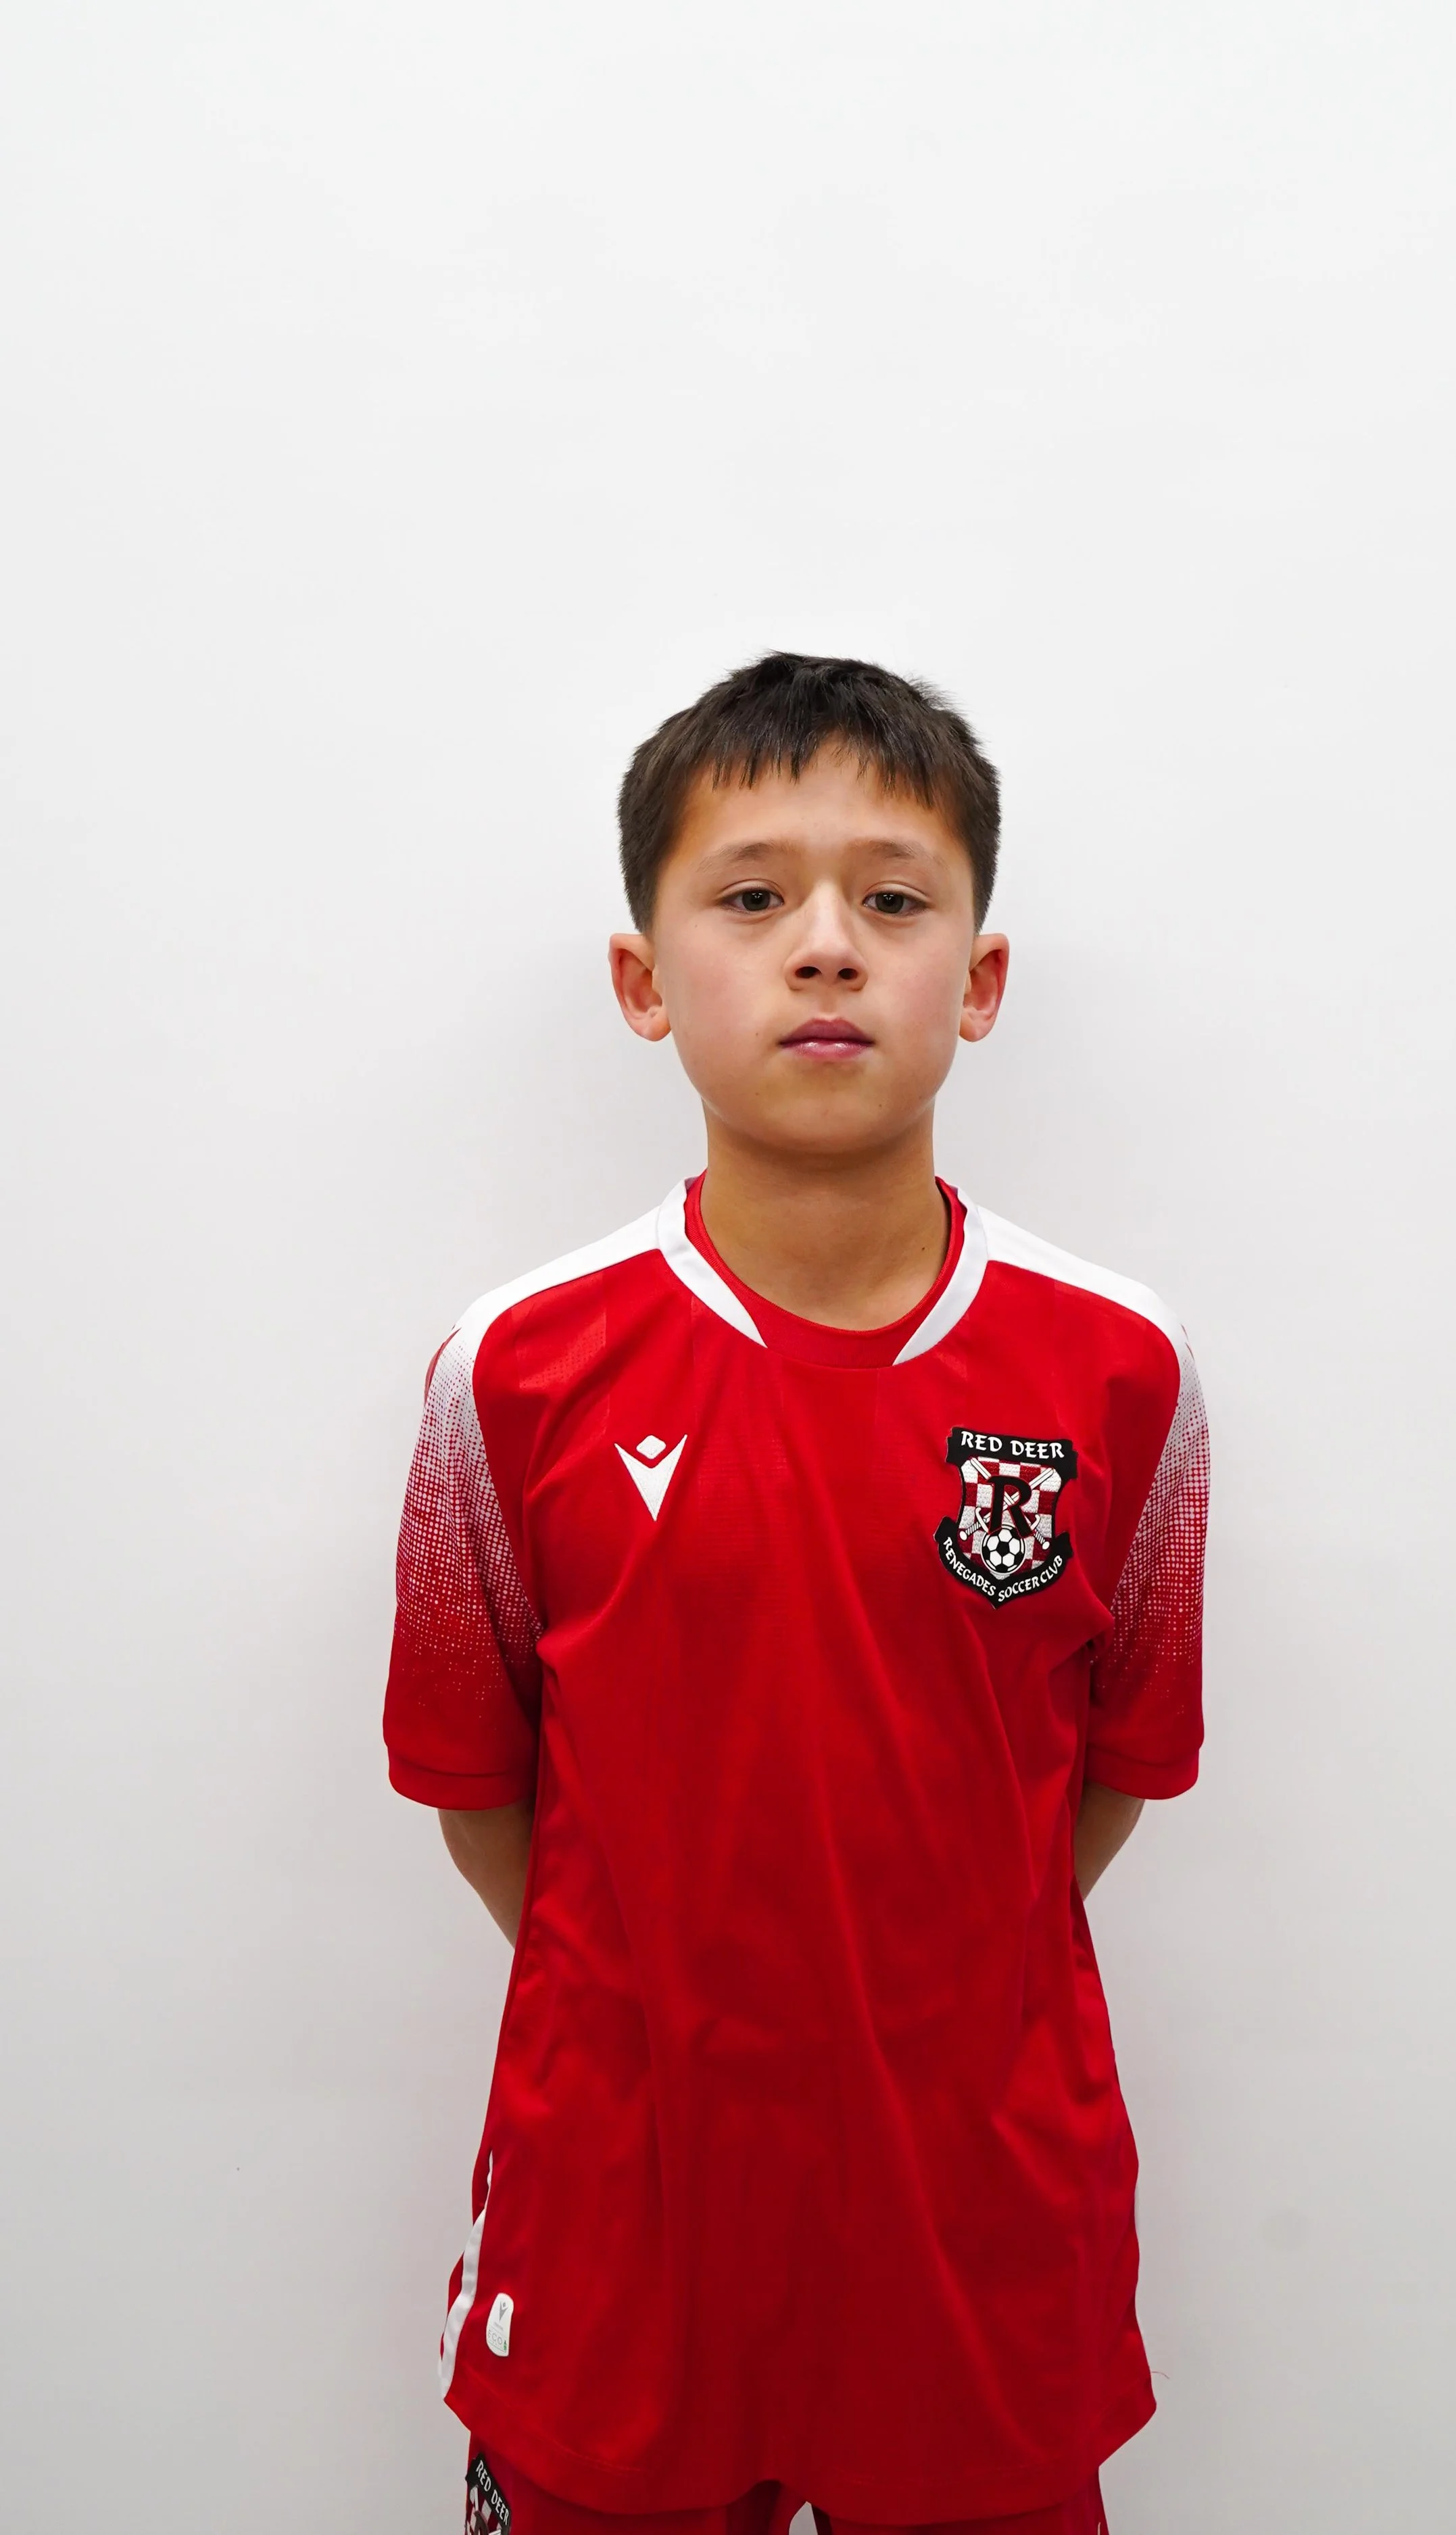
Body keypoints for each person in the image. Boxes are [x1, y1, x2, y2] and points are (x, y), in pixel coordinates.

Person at [383, 653, 1209, 2535]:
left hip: (974, 2233)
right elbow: (476, 1785)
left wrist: (906, 1986)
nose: (823, 946)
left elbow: (1107, 1770)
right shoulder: (509, 1372)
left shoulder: (1120, 1374)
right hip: (624, 2228)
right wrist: (682, 2002)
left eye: (893, 899)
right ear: (644, 978)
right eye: (751, 896)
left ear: (978, 981)